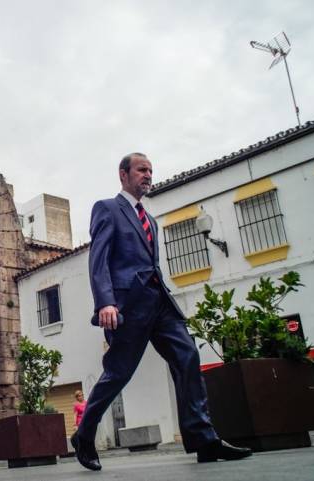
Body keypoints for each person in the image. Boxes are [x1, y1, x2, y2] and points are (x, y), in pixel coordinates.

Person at [71, 152, 252, 471]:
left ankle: (203, 439)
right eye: (141, 170)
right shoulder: (108, 209)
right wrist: (106, 302)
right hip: (127, 306)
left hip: (160, 302)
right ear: (123, 174)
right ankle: (84, 435)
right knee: (118, 374)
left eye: (151, 170)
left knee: (187, 356)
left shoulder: (150, 219)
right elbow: (98, 258)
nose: (148, 175)